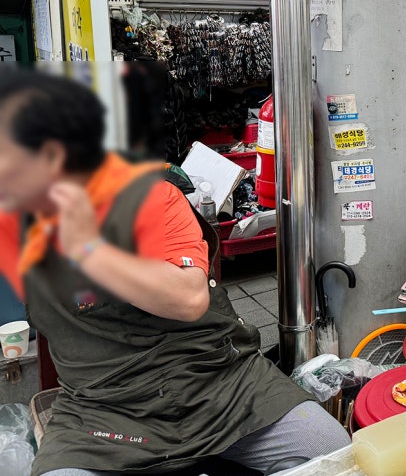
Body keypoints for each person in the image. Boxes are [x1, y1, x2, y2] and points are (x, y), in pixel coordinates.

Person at [0, 69, 350, 476]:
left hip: (217, 382)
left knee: (328, 449)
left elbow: (187, 298)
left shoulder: (153, 198)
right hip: (103, 409)